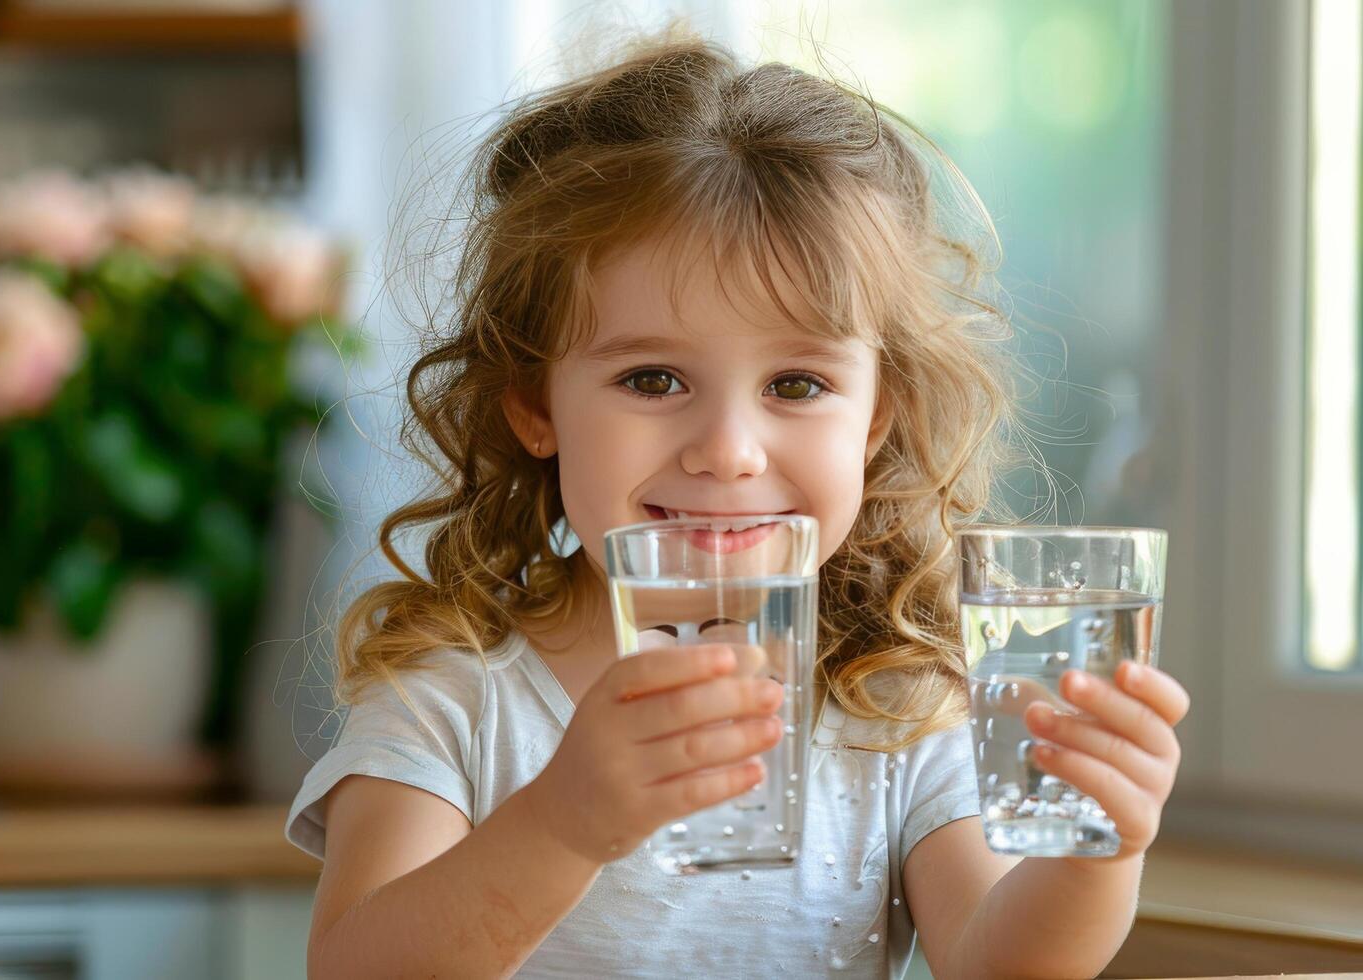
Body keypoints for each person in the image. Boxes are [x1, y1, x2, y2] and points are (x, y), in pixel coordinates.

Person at [287, 27, 1190, 979]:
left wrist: (1099, 848)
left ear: (876, 419)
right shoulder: (456, 699)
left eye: (796, 386)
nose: (727, 452)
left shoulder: (894, 711)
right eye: (651, 378)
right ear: (533, 404)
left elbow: (1002, 966)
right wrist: (567, 819)